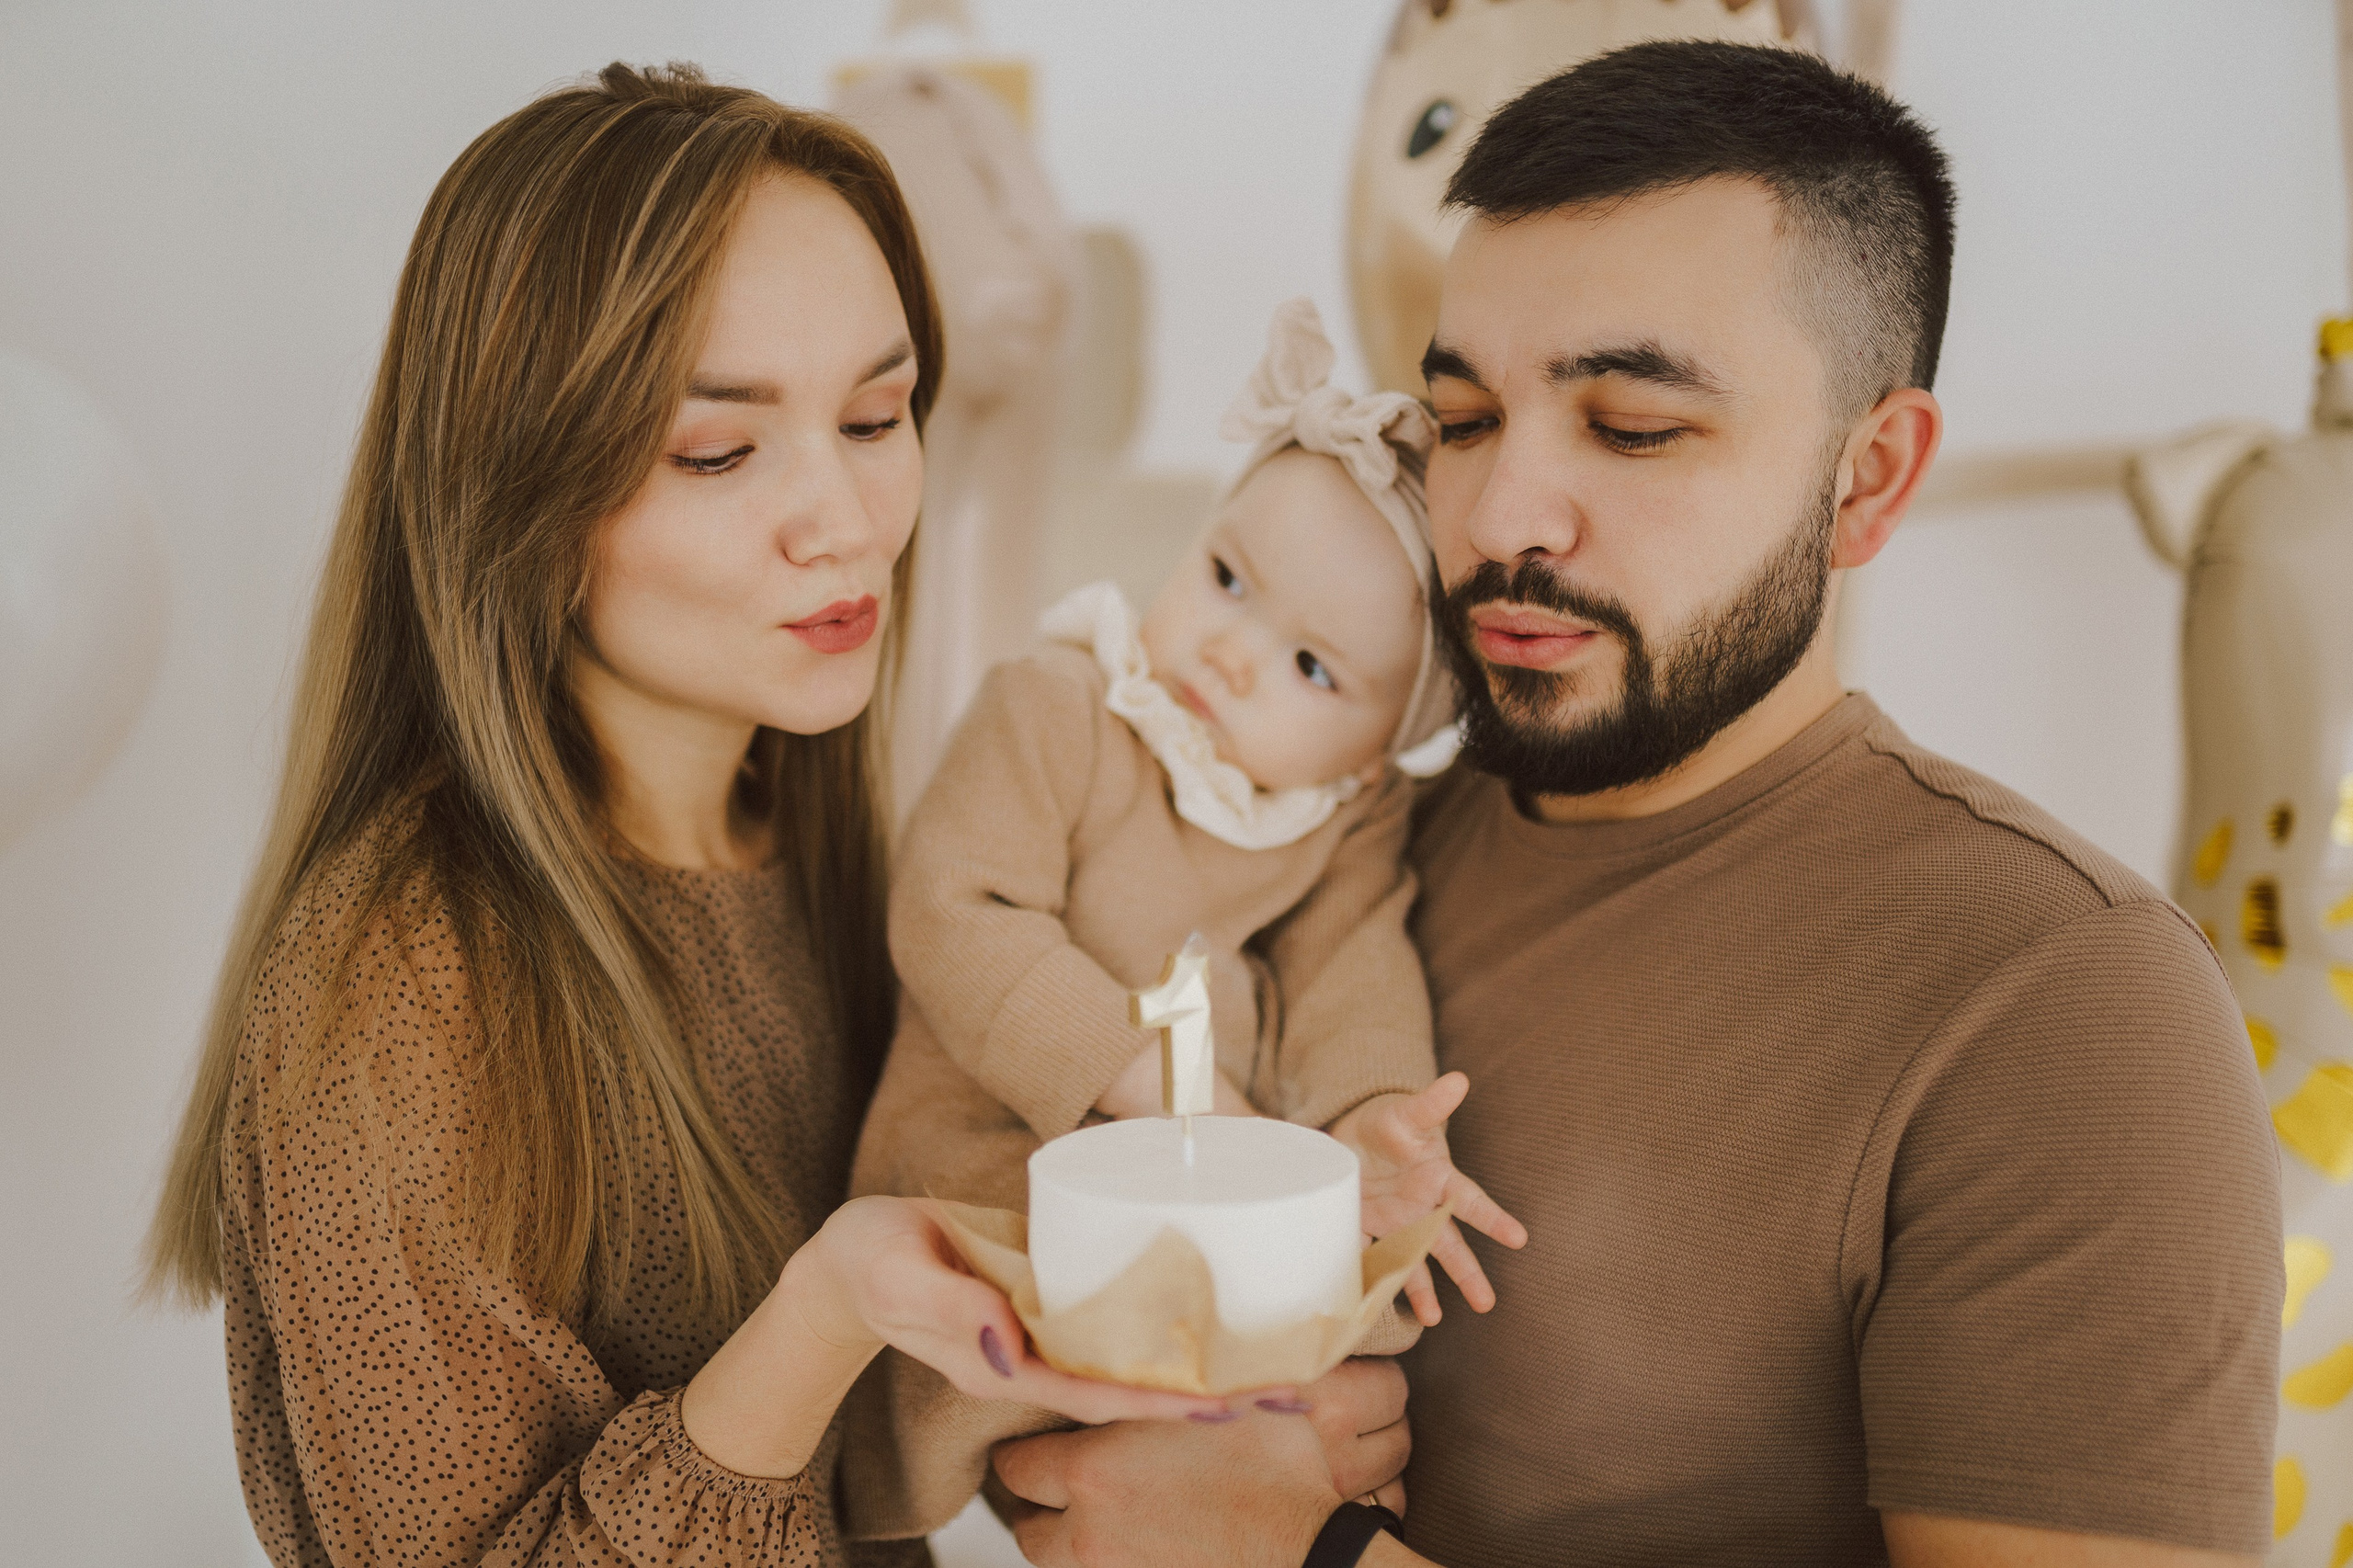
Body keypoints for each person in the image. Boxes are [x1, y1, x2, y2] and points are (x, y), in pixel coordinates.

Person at [991, 40, 2282, 1568]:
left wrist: (1301, 1555)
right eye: (1463, 420)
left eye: (1632, 426)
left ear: (1868, 478)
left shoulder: (2062, 999)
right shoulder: (1334, 847)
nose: (1502, 516)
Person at [139, 64, 1401, 1567]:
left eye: (878, 415)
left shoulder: (819, 848)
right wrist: (823, 1311)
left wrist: (1231, 1434)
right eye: (723, 451)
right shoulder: (395, 983)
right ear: (517, 502)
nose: (851, 519)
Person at [841, 298, 1524, 1540]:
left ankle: (1253, 1459)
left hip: (1218, 1157)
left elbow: (1350, 970)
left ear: (1378, 754)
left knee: (1361, 1296)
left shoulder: (1340, 818)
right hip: (1009, 1135)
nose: (1233, 653)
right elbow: (954, 912)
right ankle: (1140, 1446)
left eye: (1314, 667)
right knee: (1036, 1265)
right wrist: (1135, 1073)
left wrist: (1368, 1120)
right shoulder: (1059, 705)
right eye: (1225, 576)